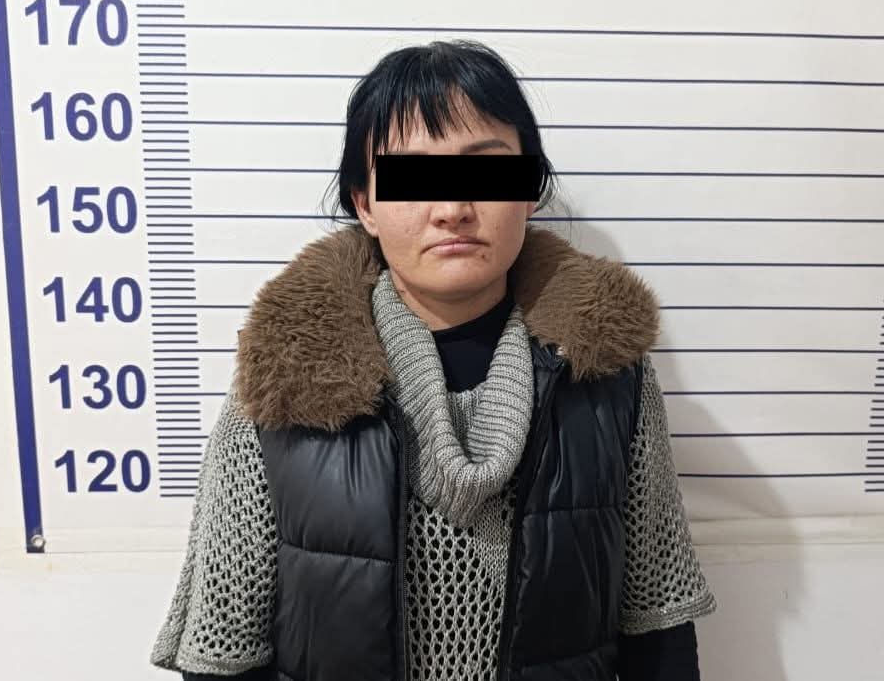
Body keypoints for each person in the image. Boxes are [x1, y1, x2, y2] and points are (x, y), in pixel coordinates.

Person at [149, 39, 717, 681]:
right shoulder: (282, 382)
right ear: (365, 204)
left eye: (486, 171)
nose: (452, 209)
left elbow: (658, 626)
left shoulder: (608, 376)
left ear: (529, 190)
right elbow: (225, 651)